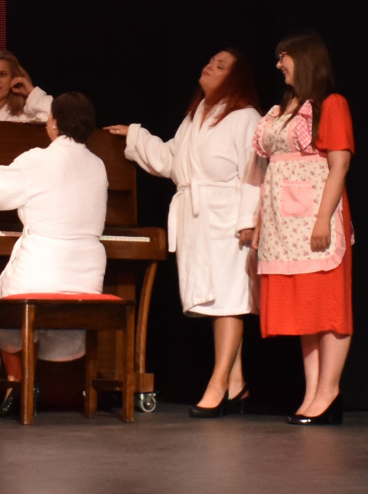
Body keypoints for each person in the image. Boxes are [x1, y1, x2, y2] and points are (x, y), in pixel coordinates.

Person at [106, 50, 261, 417]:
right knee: (219, 301)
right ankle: (236, 383)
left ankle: (217, 384)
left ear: (236, 79)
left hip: (228, 217)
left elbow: (255, 172)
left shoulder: (246, 118)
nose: (210, 66)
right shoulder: (196, 117)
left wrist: (248, 219)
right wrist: (135, 136)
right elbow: (171, 160)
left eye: (221, 66)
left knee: (230, 300)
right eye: (210, 61)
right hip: (199, 220)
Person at [0, 92, 106, 413]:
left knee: (4, 302)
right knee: (30, 300)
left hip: (45, 266)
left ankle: (17, 379)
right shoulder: (99, 165)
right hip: (87, 272)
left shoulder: (38, 159)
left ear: (54, 123)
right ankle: (46, 385)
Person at [251, 32, 354, 425]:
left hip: (315, 216)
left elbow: (339, 165)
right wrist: (261, 222)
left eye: (285, 56)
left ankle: (329, 392)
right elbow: (268, 171)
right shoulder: (284, 109)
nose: (279, 64)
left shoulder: (331, 105)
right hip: (283, 223)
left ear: (306, 59)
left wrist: (323, 218)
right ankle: (312, 393)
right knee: (306, 311)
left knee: (329, 307)